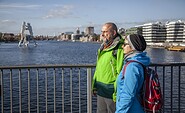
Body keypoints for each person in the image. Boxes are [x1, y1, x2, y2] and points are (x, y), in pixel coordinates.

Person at [92, 22, 124, 113]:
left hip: (111, 91)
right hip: (101, 89)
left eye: (105, 32)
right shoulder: (102, 47)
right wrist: (94, 85)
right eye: (102, 32)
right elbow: (98, 68)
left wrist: (116, 93)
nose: (102, 34)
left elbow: (120, 72)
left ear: (113, 33)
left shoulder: (119, 48)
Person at [115, 34, 151, 113]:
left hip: (131, 109)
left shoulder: (132, 66)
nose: (122, 47)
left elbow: (128, 94)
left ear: (132, 47)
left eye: (125, 44)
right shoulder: (139, 62)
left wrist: (119, 111)